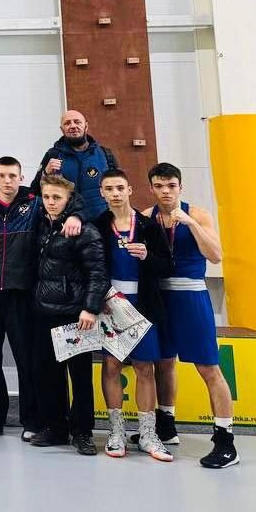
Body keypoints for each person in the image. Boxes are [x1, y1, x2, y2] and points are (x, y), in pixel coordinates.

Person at [0, 157, 79, 441]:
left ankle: (32, 419)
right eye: (2, 175)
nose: (7, 181)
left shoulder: (35, 204)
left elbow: (70, 200)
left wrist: (75, 216)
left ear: (21, 177)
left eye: (12, 175)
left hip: (21, 297)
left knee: (28, 361)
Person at [146, 162, 239, 468]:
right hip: (160, 298)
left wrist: (190, 224)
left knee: (209, 368)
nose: (166, 191)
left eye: (171, 186)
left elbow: (216, 255)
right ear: (151, 188)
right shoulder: (146, 216)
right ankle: (166, 426)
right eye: (159, 186)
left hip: (191, 296)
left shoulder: (198, 214)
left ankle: (226, 441)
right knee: (163, 363)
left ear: (180, 187)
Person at [94, 169, 173, 461]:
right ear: (102, 193)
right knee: (111, 366)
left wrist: (147, 256)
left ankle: (148, 434)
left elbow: (167, 266)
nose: (115, 194)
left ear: (129, 190)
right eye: (109, 189)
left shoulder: (148, 226)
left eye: (119, 188)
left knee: (144, 368)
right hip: (111, 306)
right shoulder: (97, 226)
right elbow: (89, 267)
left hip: (144, 306)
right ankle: (116, 431)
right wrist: (98, 298)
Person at [29, 175, 107, 456]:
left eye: (57, 197)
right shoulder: (40, 224)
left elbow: (98, 273)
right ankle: (56, 428)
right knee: (48, 374)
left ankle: (83, 432)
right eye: (47, 197)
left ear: (69, 200)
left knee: (80, 377)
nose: (51, 202)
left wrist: (90, 308)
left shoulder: (84, 230)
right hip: (43, 312)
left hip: (75, 315)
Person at [31, 110, 119, 220]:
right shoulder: (53, 155)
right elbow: (34, 191)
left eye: (77, 122)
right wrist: (45, 173)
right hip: (66, 223)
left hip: (101, 222)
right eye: (67, 123)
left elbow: (119, 187)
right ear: (62, 129)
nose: (73, 126)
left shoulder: (105, 154)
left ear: (86, 126)